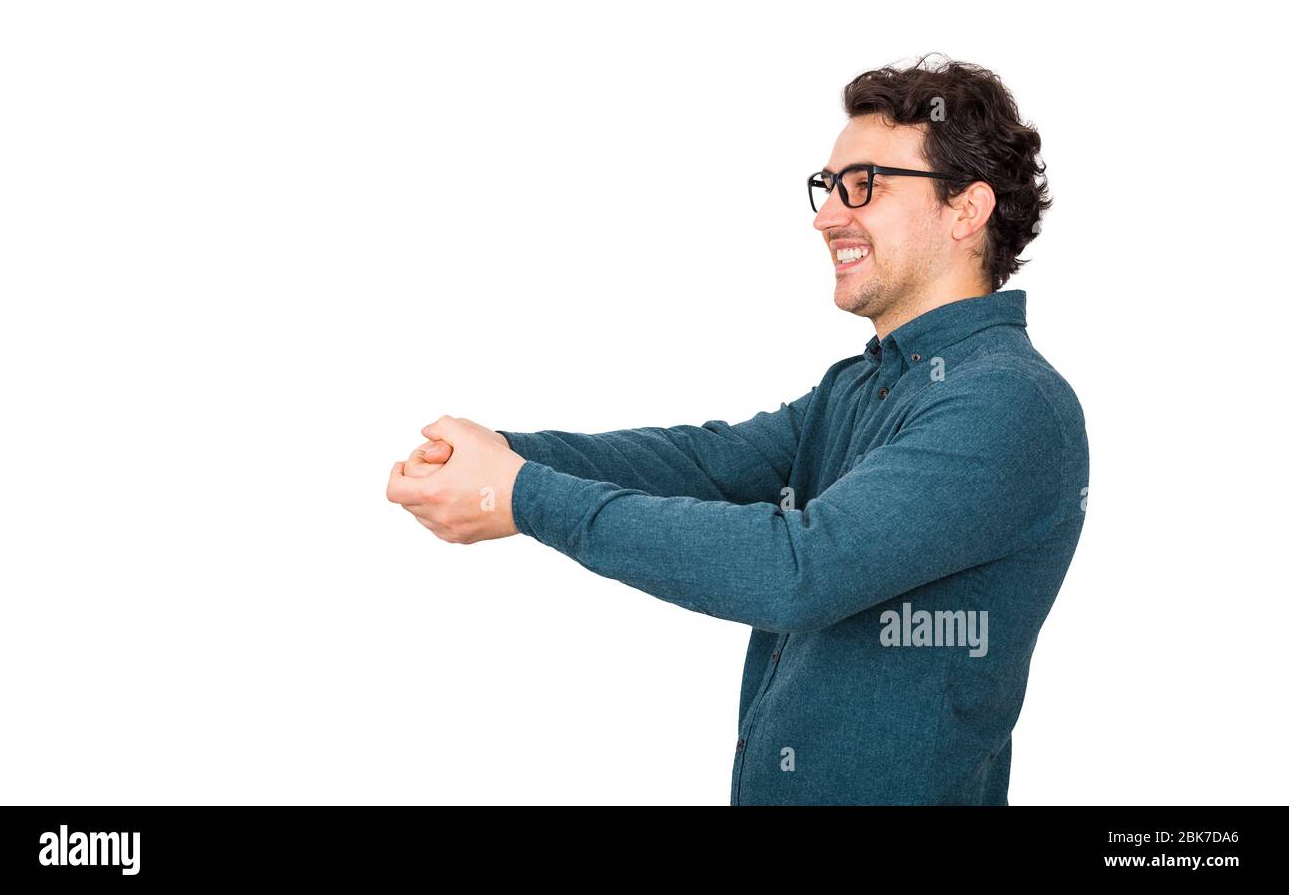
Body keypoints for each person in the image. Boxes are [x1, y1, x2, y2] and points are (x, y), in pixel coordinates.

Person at [386, 54, 1090, 805]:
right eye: (827, 188)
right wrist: (502, 455)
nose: (827, 216)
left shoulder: (1006, 404)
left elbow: (797, 571)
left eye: (865, 185)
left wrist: (521, 495)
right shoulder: (861, 384)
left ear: (965, 210)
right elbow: (708, 462)